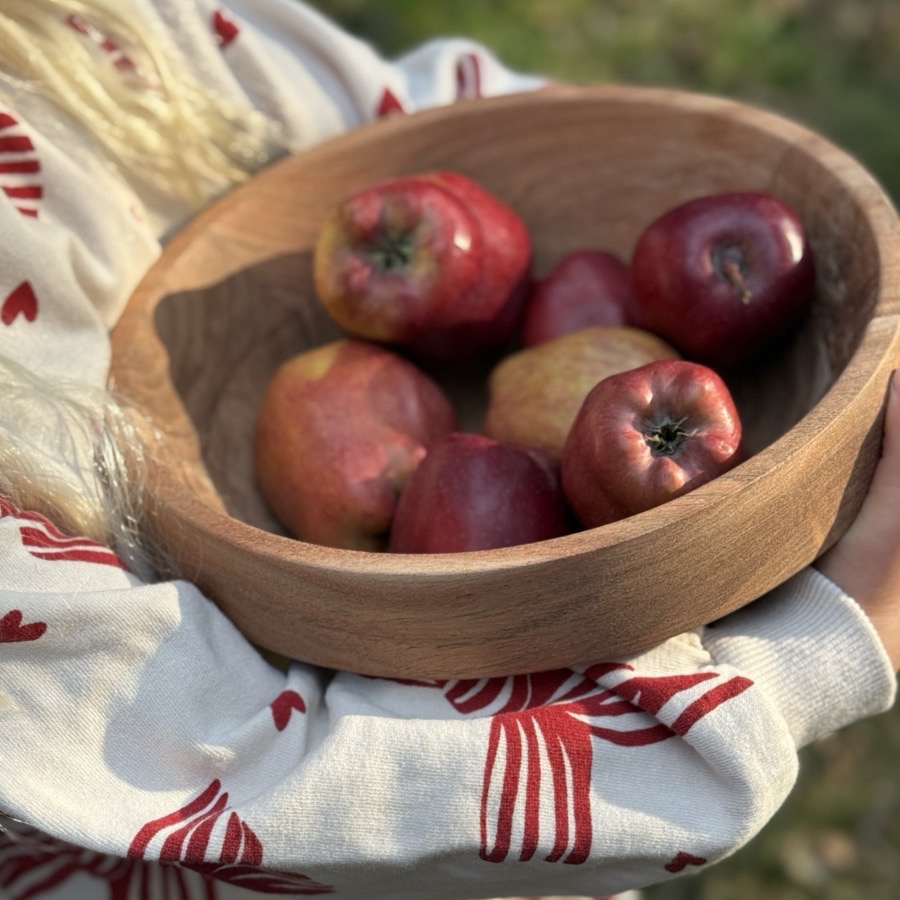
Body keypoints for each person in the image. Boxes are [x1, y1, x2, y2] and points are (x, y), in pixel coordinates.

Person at [0, 2, 897, 899]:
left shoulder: (94, 22)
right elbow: (250, 783)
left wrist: (560, 131)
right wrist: (828, 642)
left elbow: (371, 103)